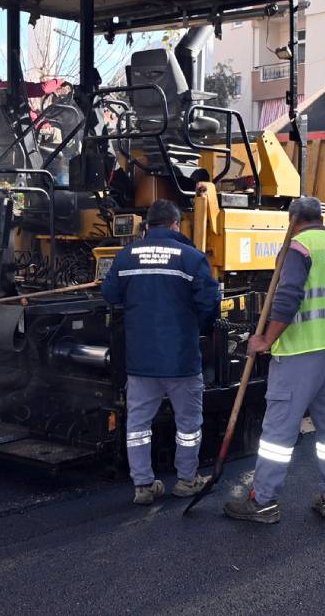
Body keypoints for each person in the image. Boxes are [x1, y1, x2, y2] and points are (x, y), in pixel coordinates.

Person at [224, 197, 325, 524]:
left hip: (301, 354)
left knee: (278, 433)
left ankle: (264, 501)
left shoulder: (298, 248)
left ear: (293, 220)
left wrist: (266, 339)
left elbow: (287, 298)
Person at [100, 199, 220, 505]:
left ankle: (143, 485)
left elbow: (111, 294)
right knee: (188, 424)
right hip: (181, 358)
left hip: (141, 359)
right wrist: (198, 329)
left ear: (147, 225)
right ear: (175, 225)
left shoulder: (126, 256)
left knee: (138, 424)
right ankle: (187, 480)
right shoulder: (192, 258)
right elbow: (209, 304)